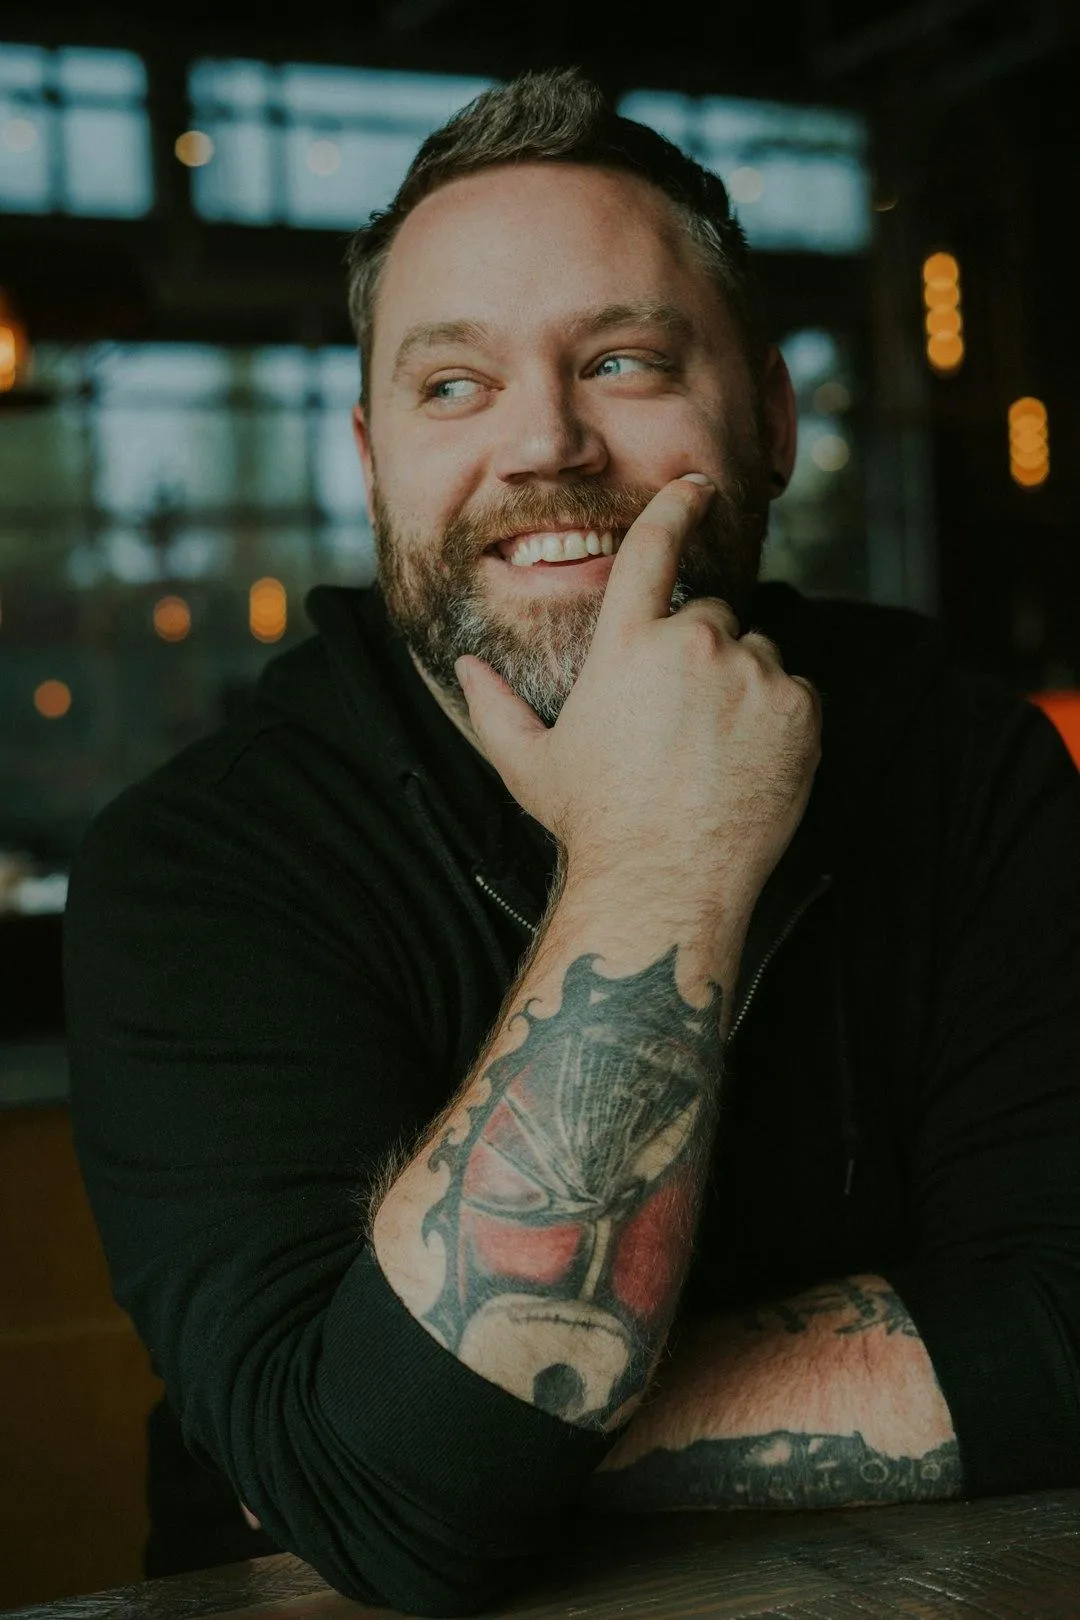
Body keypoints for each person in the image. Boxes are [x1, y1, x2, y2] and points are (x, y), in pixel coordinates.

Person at [63, 67, 1080, 1617]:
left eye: (622, 360)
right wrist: (664, 860)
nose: (545, 441)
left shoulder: (963, 760)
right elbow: (388, 1505)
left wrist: (455, 1437)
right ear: (371, 457)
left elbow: (374, 1470)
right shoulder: (199, 866)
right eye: (453, 384)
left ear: (774, 415)